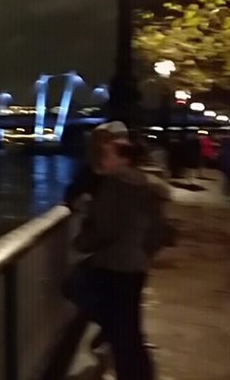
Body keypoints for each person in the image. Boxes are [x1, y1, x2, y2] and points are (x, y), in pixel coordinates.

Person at [74, 136, 171, 380]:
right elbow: (160, 231)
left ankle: (127, 365)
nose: (103, 161)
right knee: (130, 331)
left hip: (114, 266)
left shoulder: (114, 185)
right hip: (136, 267)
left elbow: (105, 229)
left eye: (108, 155)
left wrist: (80, 243)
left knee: (75, 286)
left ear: (123, 159)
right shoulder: (148, 186)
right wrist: (143, 254)